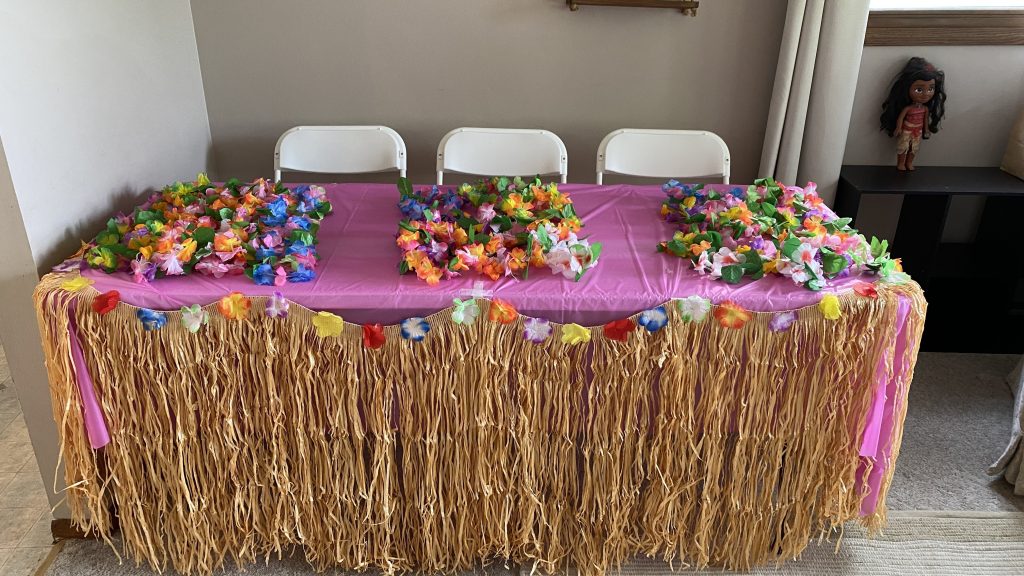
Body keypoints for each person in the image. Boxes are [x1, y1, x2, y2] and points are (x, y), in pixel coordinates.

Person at [880, 57, 947, 171]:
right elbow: (901, 118)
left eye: (931, 89)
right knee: (903, 147)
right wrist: (898, 128)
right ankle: (901, 163)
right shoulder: (908, 108)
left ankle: (909, 163)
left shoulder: (925, 109)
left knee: (914, 148)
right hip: (907, 130)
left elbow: (925, 120)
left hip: (918, 131)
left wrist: (926, 129)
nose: (926, 94)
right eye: (919, 90)